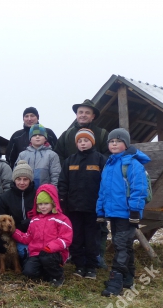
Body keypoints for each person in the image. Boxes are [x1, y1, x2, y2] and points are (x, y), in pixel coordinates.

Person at [53, 99, 111, 268]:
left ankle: (97, 257)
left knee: (98, 229)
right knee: (75, 228)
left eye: (87, 112)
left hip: (93, 193)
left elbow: (108, 158)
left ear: (93, 116)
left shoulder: (102, 134)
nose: (83, 115)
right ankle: (76, 256)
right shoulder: (67, 134)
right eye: (80, 112)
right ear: (77, 115)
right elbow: (59, 155)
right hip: (74, 193)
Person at [97, 128, 150, 297]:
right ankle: (128, 278)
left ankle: (116, 281)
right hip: (114, 213)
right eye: (111, 141)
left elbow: (139, 189)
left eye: (118, 141)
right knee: (125, 245)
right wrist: (101, 210)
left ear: (126, 145)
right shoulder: (109, 164)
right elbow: (103, 190)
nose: (114, 144)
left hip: (127, 214)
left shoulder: (132, 164)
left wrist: (135, 211)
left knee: (120, 245)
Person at [58, 128, 106, 280]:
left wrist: (103, 203)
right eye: (80, 141)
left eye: (86, 141)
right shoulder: (70, 161)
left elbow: (106, 183)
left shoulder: (100, 159)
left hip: (93, 208)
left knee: (92, 238)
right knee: (76, 237)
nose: (83, 143)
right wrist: (63, 202)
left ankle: (91, 267)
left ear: (92, 142)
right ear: (76, 143)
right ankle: (79, 265)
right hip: (74, 208)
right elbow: (63, 183)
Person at [12, 184, 73, 287]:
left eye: (46, 203)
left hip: (54, 253)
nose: (43, 207)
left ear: (53, 203)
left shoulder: (62, 219)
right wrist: (13, 232)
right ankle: (46, 273)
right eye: (40, 204)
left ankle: (58, 275)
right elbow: (28, 237)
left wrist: (51, 247)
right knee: (28, 272)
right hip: (36, 253)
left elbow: (66, 239)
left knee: (46, 258)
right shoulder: (35, 220)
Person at [0, 160, 36, 264]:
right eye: (18, 179)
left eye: (25, 179)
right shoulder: (5, 197)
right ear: (14, 180)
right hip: (13, 236)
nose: (22, 183)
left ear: (30, 180)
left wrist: (28, 222)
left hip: (34, 235)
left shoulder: (37, 195)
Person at [16, 124, 61, 189]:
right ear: (30, 139)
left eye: (40, 135)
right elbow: (17, 174)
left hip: (45, 192)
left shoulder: (52, 155)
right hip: (26, 192)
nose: (37, 137)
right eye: (34, 135)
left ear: (45, 138)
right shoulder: (22, 155)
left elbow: (56, 176)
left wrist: (53, 190)